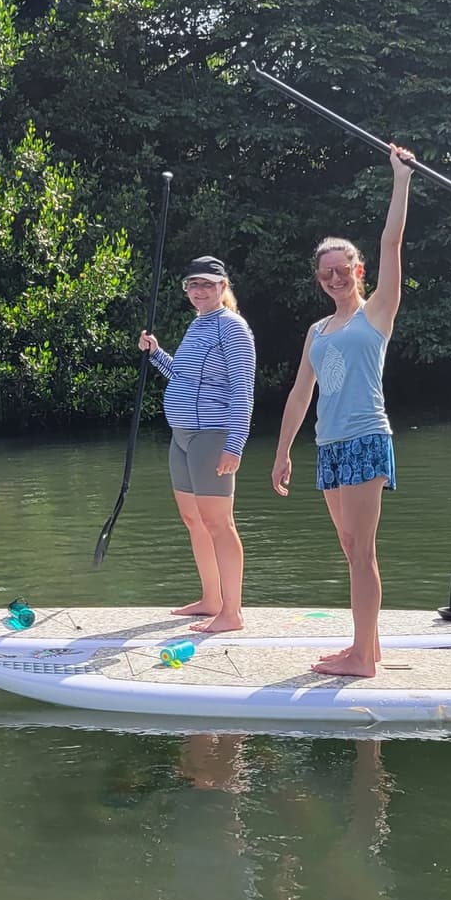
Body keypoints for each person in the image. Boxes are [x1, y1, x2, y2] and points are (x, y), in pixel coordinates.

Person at [269, 145, 415, 678]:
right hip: (329, 446)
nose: (335, 278)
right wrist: (283, 450)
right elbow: (301, 393)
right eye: (326, 272)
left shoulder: (376, 312)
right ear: (320, 278)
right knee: (351, 547)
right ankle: (367, 648)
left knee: (362, 553)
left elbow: (392, 239)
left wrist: (400, 179)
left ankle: (361, 657)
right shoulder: (317, 331)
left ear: (359, 271)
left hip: (365, 439)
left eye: (343, 270)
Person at [137, 255, 257, 634]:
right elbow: (185, 378)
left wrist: (235, 443)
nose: (199, 291)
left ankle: (232, 612)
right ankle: (211, 600)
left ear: (223, 287)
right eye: (193, 284)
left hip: (213, 436)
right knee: (194, 521)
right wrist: (156, 354)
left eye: (207, 284)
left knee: (218, 522)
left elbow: (242, 389)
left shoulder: (232, 328)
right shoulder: (199, 325)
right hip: (182, 437)